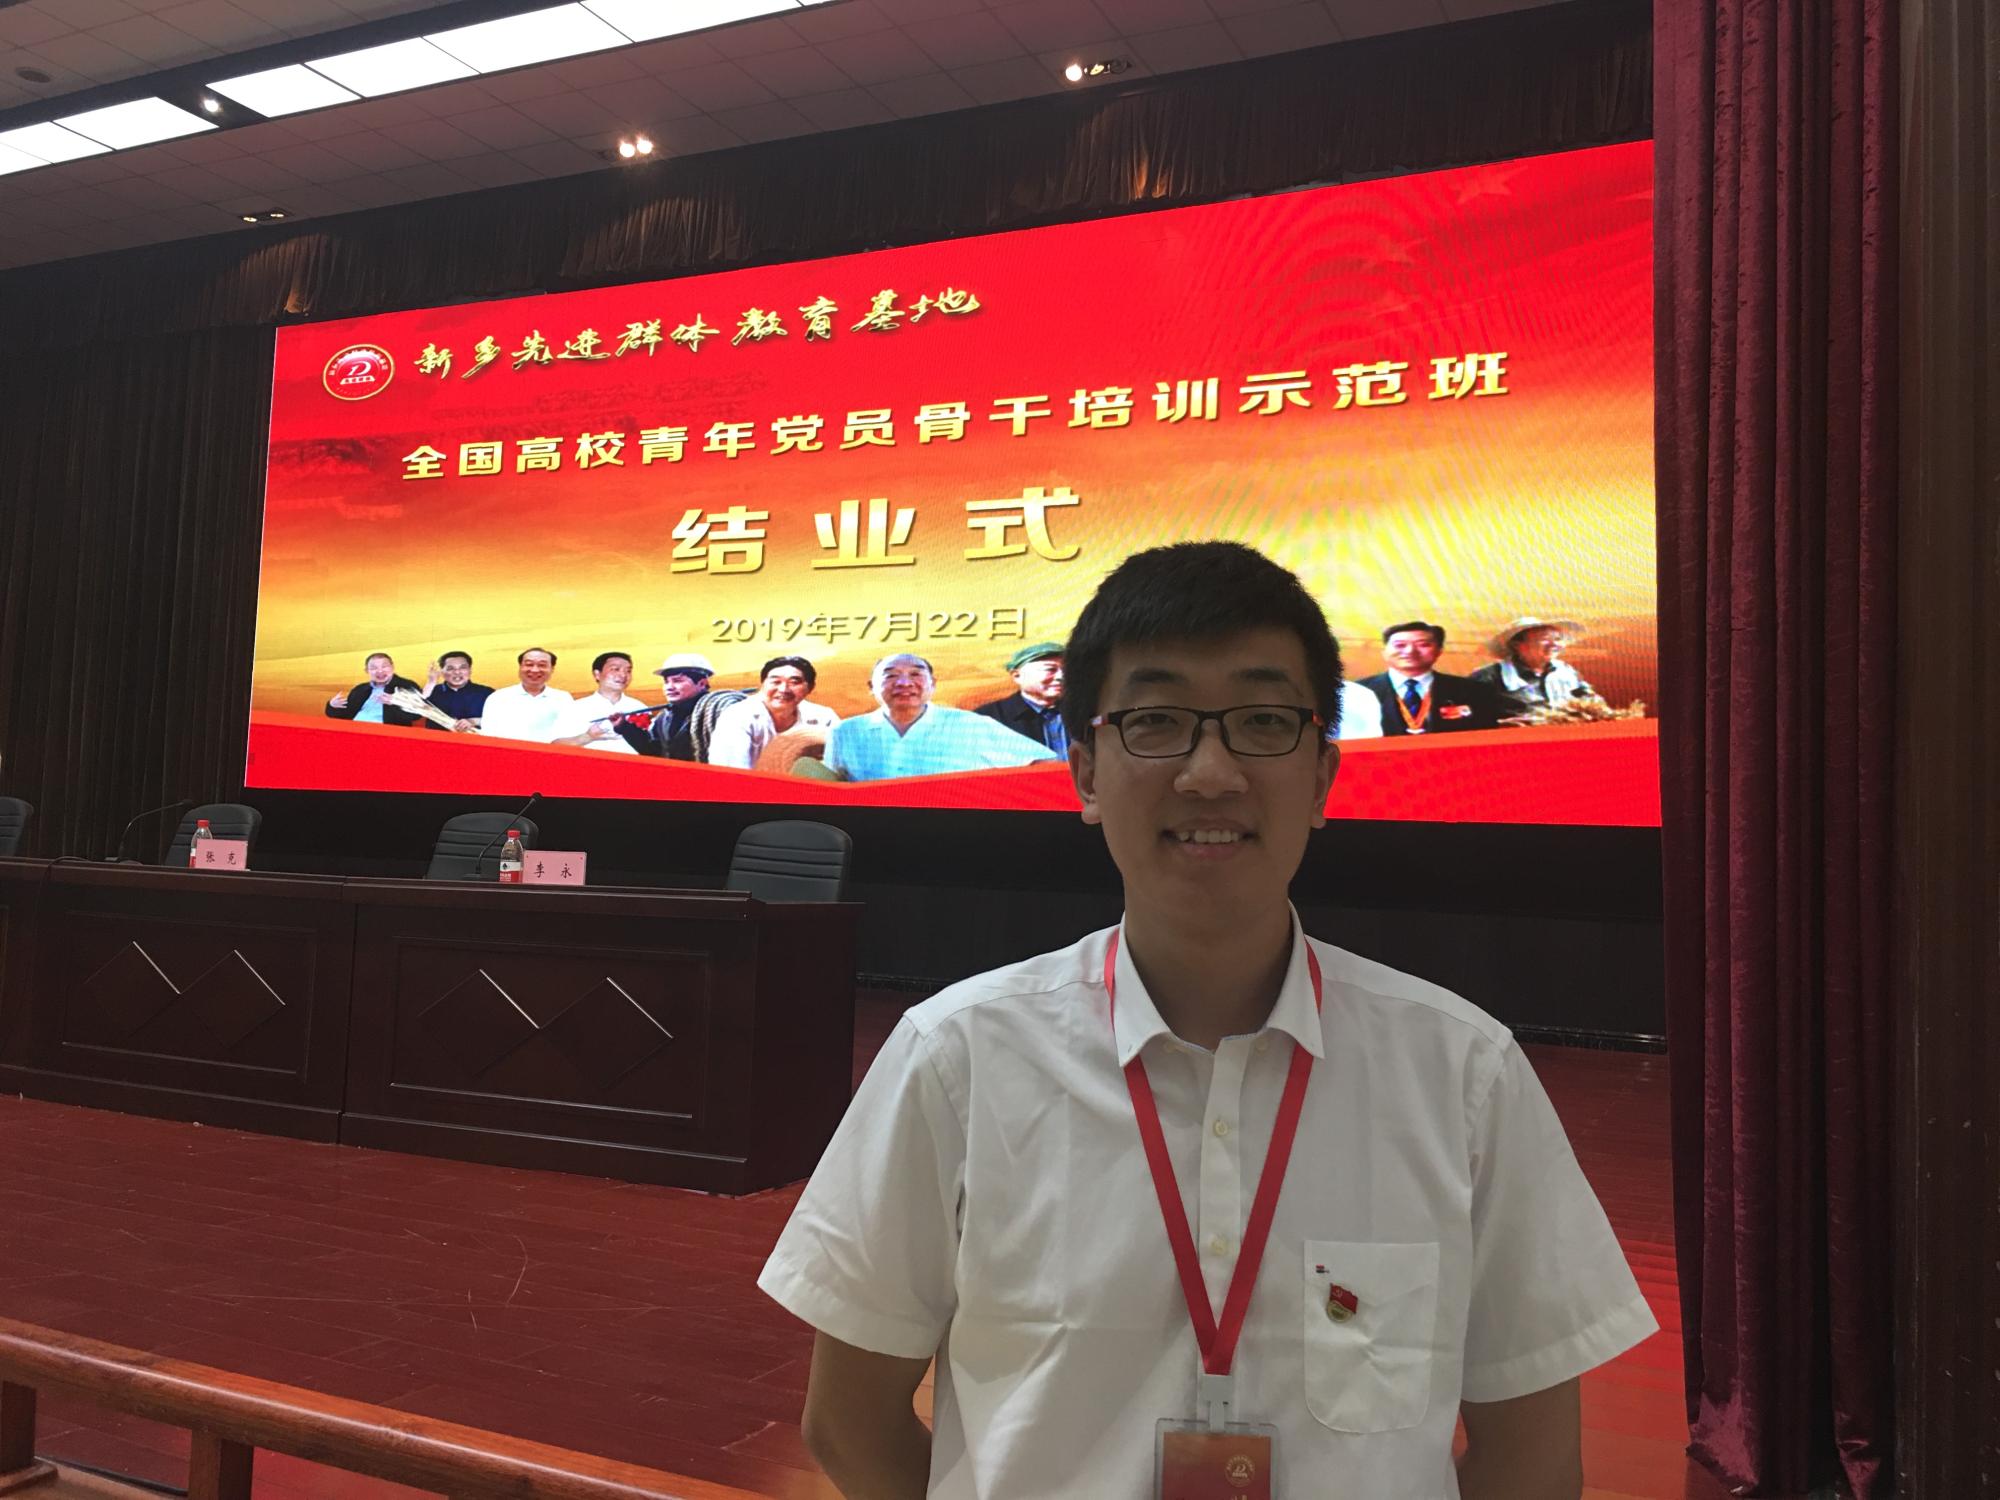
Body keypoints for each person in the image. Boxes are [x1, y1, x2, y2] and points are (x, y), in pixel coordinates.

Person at [760, 541, 1655, 1499]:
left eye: (1264, 721)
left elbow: (1531, 1462)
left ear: (1322, 776)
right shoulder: (956, 1057)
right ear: (1085, 773)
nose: (1211, 772)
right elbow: (848, 1422)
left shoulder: (1464, 1073)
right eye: (1156, 722)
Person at [825, 654, 1063, 781]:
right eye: (891, 675)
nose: (905, 682)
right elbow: (832, 783)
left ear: (933, 684)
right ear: (871, 687)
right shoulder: (845, 732)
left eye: (916, 674)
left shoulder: (971, 725)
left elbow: (1045, 766)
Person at [1355, 620, 1502, 735]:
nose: (1410, 651)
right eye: (1400, 645)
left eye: (1423, 645)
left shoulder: (1475, 691)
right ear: (1385, 651)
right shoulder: (1355, 693)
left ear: (1439, 651)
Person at [706, 656, 840, 771]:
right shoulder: (737, 716)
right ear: (763, 684)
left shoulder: (824, 717)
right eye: (775, 681)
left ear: (810, 687)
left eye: (794, 682)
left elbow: (843, 762)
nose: (783, 689)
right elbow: (732, 774)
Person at [1468, 616, 1596, 717]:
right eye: (1545, 639)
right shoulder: (1489, 676)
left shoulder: (1567, 672)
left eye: (1558, 639)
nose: (1554, 644)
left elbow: (1590, 699)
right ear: (1517, 645)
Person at [646, 653, 748, 762]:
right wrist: (632, 730)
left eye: (677, 681)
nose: (669, 687)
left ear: (702, 683)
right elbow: (653, 752)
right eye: (666, 682)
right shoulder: (662, 719)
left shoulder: (724, 711)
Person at [972, 642, 1068, 754]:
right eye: (1050, 669)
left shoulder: (1082, 713)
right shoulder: (989, 718)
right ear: (1017, 676)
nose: (1061, 676)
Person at [551, 652, 649, 752]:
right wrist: (588, 737)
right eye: (615, 669)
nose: (623, 675)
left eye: (628, 671)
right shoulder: (576, 708)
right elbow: (556, 746)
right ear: (597, 674)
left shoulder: (639, 707)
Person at [478, 648, 573, 742]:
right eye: (529, 664)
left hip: (550, 751)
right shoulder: (498, 698)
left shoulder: (562, 698)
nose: (535, 670)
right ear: (520, 667)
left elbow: (569, 734)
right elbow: (489, 735)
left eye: (542, 665)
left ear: (552, 669)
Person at [324, 652, 420, 726]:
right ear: (367, 671)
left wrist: (396, 703)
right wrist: (333, 706)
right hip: (355, 729)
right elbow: (344, 716)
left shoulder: (406, 686)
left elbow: (416, 715)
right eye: (374, 668)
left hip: (387, 734)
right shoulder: (360, 689)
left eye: (384, 666)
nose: (380, 671)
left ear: (392, 667)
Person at [419, 650, 493, 732]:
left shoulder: (486, 693)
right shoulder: (432, 690)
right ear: (442, 672)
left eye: (463, 667)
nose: (457, 672)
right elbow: (416, 711)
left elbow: (499, 718)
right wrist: (431, 682)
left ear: (470, 670)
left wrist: (473, 721)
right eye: (450, 668)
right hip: (438, 738)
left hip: (475, 738)